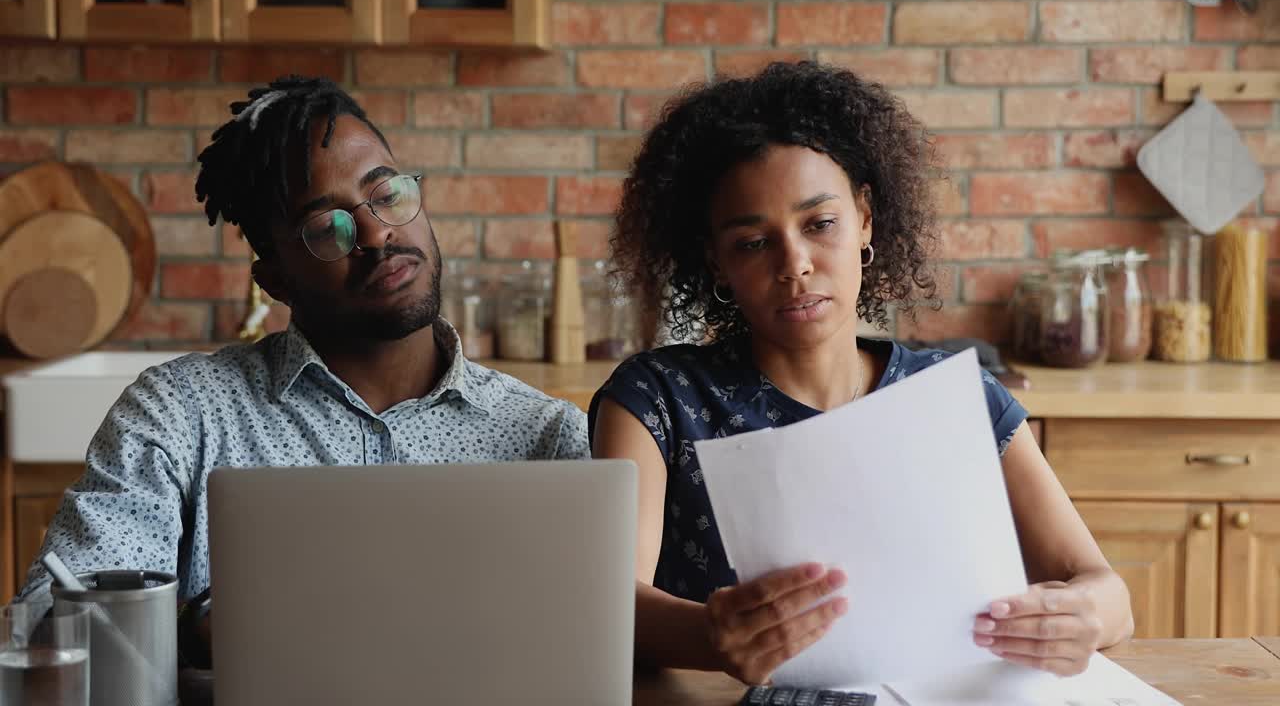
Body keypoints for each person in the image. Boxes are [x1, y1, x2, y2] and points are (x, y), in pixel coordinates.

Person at [589, 61, 1133, 685]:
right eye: (752, 242)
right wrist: (711, 636)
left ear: (866, 220)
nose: (795, 264)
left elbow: (1107, 593)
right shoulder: (656, 399)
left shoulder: (959, 399)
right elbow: (610, 603)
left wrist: (1083, 617)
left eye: (820, 225)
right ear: (715, 260)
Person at [17, 76, 588, 622]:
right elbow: (57, 621)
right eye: (325, 227)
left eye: (386, 194)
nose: (375, 235)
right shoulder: (179, 415)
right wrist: (202, 628)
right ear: (275, 282)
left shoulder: (549, 435)